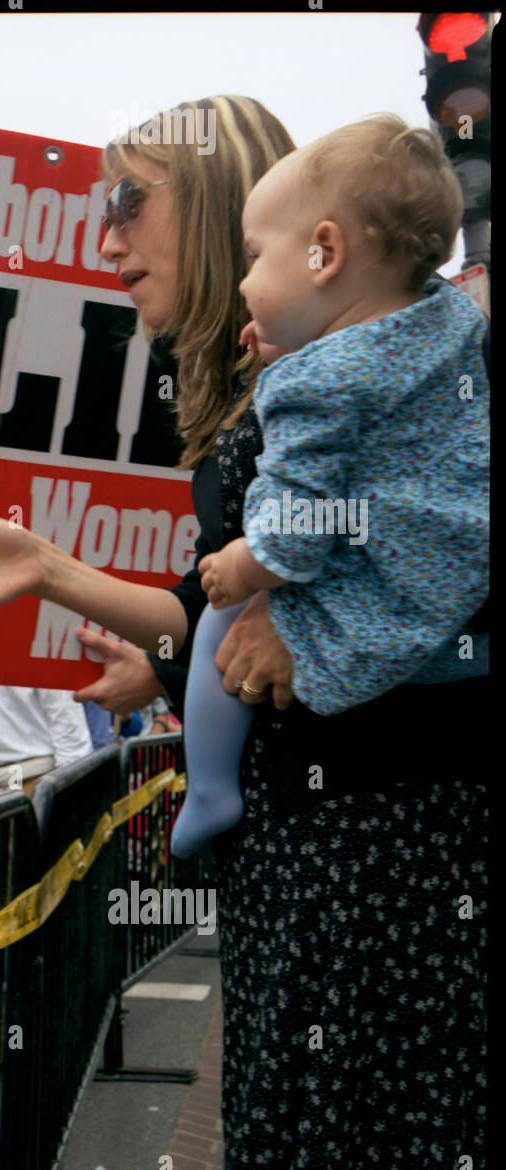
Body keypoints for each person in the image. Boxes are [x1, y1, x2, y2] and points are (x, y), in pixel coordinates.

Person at [0, 95, 488, 1170]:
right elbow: (223, 612)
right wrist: (62, 581)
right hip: (310, 858)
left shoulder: (348, 372)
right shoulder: (266, 384)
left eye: (125, 202)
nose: (105, 240)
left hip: (365, 862)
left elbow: (447, 551)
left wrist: (332, 646)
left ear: (213, 212)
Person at [171, 117, 488, 856]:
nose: (246, 280)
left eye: (254, 257)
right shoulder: (450, 321)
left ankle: (210, 788)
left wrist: (237, 569)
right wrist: (288, 343)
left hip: (364, 771)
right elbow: (375, 363)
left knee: (225, 618)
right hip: (452, 604)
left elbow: (294, 537)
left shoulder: (311, 386)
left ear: (325, 251)